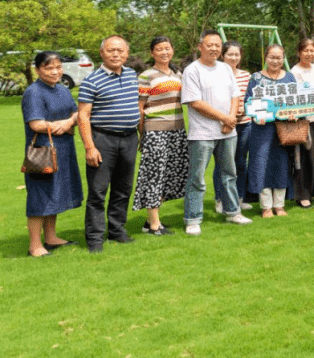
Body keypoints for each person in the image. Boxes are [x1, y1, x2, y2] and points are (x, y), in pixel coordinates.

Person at [181, 30, 252, 235]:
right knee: (197, 177)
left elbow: (235, 96)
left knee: (230, 174)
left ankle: (233, 212)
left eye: (217, 45)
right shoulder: (192, 70)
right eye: (209, 44)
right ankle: (193, 218)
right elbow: (195, 102)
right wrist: (225, 118)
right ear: (200, 46)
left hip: (227, 132)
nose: (214, 48)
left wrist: (230, 119)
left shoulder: (225, 69)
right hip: (202, 134)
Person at [78, 35, 140, 253]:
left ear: (127, 53)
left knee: (123, 189)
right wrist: (89, 147)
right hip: (103, 139)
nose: (116, 54)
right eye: (111, 50)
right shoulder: (91, 80)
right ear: (101, 53)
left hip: (130, 139)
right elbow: (83, 116)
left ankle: (117, 230)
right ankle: (95, 238)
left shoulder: (132, 75)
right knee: (98, 191)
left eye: (120, 51)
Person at [22, 51, 82, 257]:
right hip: (42, 152)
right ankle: (35, 245)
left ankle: (51, 237)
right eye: (49, 68)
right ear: (37, 69)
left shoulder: (62, 89)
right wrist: (60, 125)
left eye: (59, 67)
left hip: (63, 149)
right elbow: (36, 123)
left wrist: (68, 122)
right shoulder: (34, 92)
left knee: (56, 193)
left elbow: (76, 112)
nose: (55, 71)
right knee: (40, 196)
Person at [131, 37, 189, 236]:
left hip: (178, 129)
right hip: (155, 130)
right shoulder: (147, 76)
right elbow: (139, 107)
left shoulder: (177, 74)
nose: (164, 52)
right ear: (152, 53)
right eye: (159, 49)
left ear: (172, 50)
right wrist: (142, 134)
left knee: (171, 175)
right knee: (155, 175)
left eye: (167, 48)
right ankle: (154, 224)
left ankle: (150, 220)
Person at [245, 44, 297, 217]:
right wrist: (255, 115)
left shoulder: (289, 78)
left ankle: (279, 205)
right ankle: (266, 206)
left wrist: (294, 113)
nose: (275, 61)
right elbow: (248, 101)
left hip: (283, 130)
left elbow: (296, 101)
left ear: (283, 58)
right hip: (262, 130)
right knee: (261, 165)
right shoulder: (256, 78)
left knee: (281, 165)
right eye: (272, 57)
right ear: (266, 58)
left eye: (279, 57)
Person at [290, 37, 314, 208]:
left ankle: (312, 191)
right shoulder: (294, 71)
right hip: (304, 119)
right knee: (305, 157)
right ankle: (302, 194)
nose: (309, 53)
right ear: (299, 52)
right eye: (306, 50)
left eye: (312, 50)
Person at [217, 40, 253, 212]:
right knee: (223, 163)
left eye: (237, 54)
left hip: (245, 124)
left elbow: (252, 98)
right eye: (230, 54)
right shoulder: (216, 74)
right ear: (223, 55)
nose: (233, 57)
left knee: (240, 162)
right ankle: (220, 199)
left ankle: (239, 197)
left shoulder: (246, 75)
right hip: (224, 124)